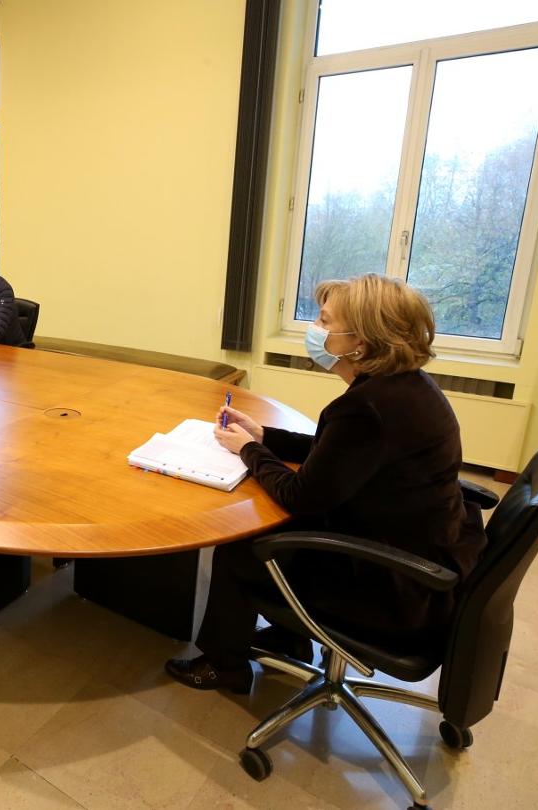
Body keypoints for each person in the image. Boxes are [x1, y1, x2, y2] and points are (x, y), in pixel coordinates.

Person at [165, 274, 487, 693]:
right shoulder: (403, 388)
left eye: (325, 321)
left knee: (243, 542)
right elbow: (336, 453)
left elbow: (301, 497)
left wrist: (248, 451)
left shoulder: (367, 407)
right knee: (272, 526)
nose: (315, 330)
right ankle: (289, 639)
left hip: (393, 587)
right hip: (425, 551)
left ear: (361, 342)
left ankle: (224, 665)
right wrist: (264, 436)